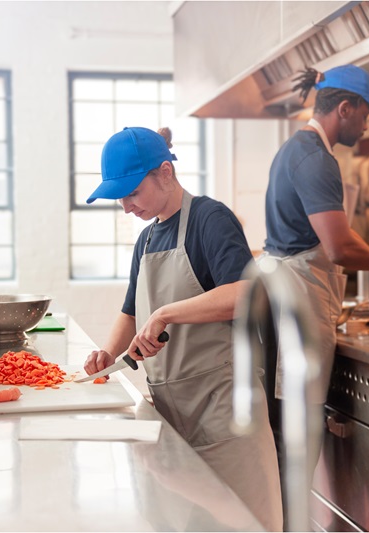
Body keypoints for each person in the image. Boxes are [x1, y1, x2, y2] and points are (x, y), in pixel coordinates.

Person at [84, 126, 282, 531]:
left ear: (165, 173)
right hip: (174, 416)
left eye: (132, 193)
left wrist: (166, 313)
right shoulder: (146, 241)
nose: (126, 206)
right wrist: (108, 352)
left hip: (225, 414)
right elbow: (130, 312)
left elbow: (248, 294)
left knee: (244, 521)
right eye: (120, 197)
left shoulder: (211, 219)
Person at [261, 65, 369, 459]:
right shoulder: (316, 159)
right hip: (299, 303)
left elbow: (337, 235)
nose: (368, 125)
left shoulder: (294, 149)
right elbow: (337, 248)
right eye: (367, 114)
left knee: (292, 439)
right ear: (345, 108)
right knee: (297, 446)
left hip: (291, 298)